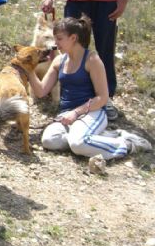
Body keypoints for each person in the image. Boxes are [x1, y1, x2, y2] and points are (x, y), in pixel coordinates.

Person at [28, 15, 151, 159]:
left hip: (92, 112)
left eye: (59, 39)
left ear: (73, 38)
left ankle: (127, 143)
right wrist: (29, 70)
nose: (55, 43)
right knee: (50, 141)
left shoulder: (92, 60)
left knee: (77, 144)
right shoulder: (58, 60)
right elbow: (41, 91)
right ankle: (97, 137)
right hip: (67, 115)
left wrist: (76, 113)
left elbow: (102, 98)